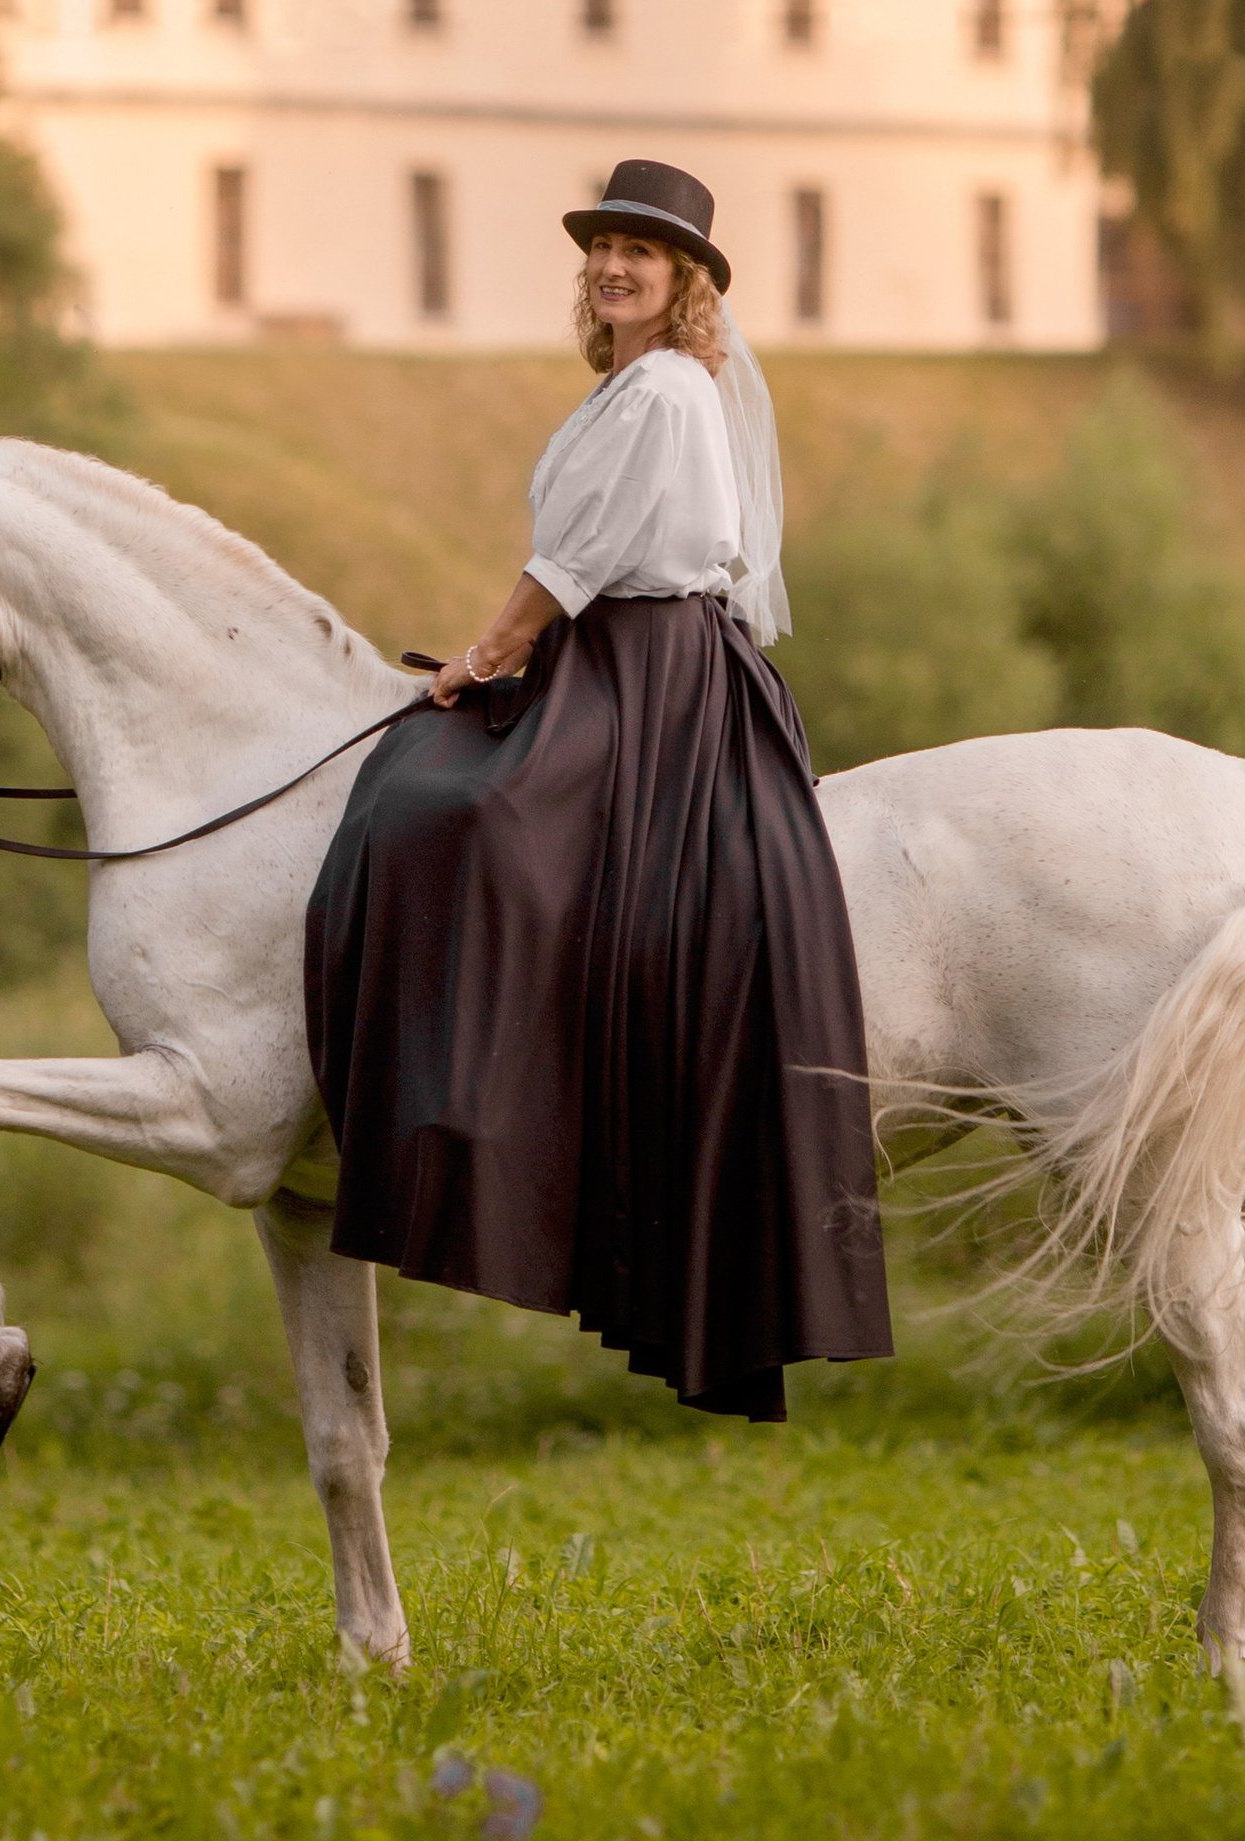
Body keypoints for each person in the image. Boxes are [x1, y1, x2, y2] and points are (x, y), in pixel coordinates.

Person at [304, 158, 892, 1419]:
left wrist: (479, 657)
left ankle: (473, 1107)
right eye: (601, 247)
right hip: (604, 657)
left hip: (648, 669)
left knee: (461, 810)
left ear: (685, 278)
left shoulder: (671, 390)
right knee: (425, 780)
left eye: (641, 250)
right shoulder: (626, 386)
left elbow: (565, 567)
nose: (613, 265)